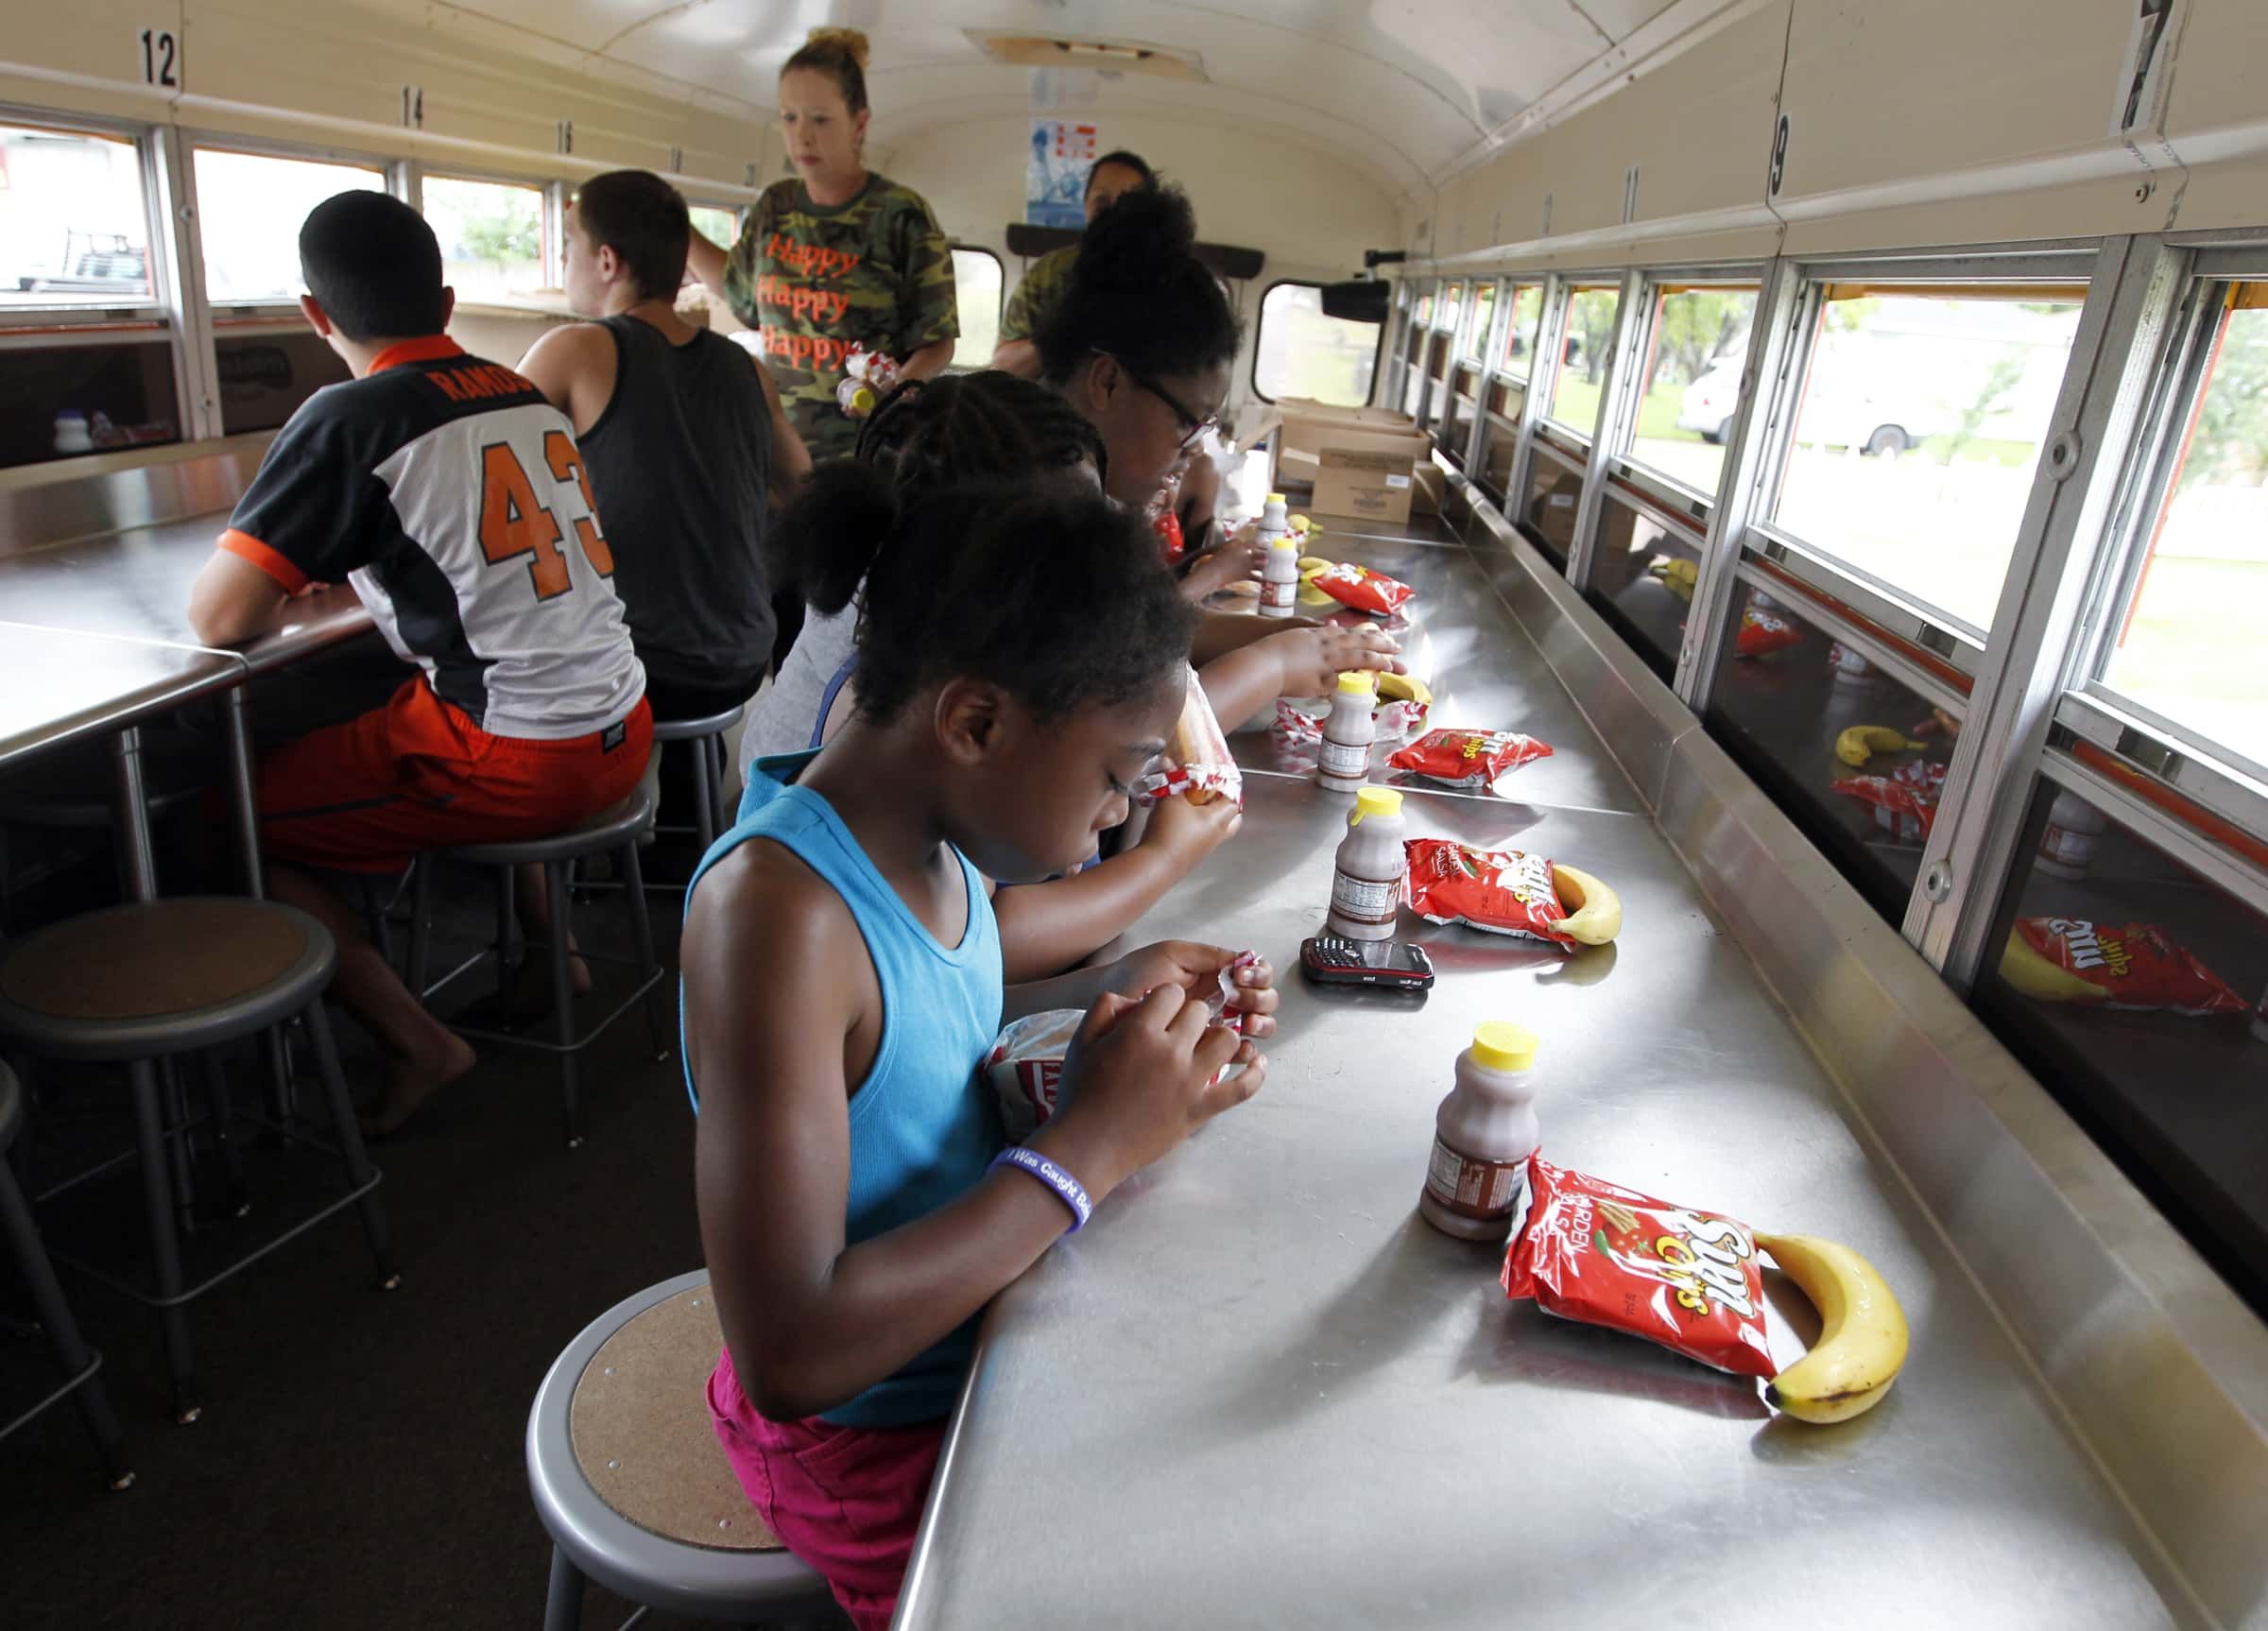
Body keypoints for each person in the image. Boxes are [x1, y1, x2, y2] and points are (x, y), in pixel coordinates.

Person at [684, 475, 1279, 1630]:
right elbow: (793, 1350)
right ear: (976, 722)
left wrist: (1116, 992)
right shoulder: (778, 919)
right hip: (861, 1436)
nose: (1118, 820)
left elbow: (931, 1004)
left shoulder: (934, 840)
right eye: (1116, 777)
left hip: (968, 1335)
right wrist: (1088, 1152)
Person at [186, 190, 651, 1136]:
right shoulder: (522, 394)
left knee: (231, 820)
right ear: (445, 304)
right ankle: (550, 948)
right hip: (625, 724)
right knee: (437, 703)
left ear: (317, 317)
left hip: (524, 762)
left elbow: (220, 617)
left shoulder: (347, 418)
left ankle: (418, 1041)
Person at [516, 169, 808, 844]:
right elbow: (801, 488)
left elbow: (480, 458)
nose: (565, 266)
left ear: (608, 261)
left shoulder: (574, 349)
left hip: (645, 669)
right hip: (741, 656)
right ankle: (676, 828)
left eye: (569, 249)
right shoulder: (745, 369)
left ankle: (566, 867)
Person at [685, 27, 957, 471]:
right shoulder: (775, 207)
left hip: (866, 456)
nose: (802, 137)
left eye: (820, 119)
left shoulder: (900, 215)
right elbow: (743, 299)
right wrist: (679, 231)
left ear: (860, 123)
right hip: (776, 451)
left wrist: (895, 397)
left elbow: (937, 342)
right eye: (789, 118)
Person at [988, 148, 1156, 380]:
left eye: (1128, 203)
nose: (1114, 213)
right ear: (1086, 205)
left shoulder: (1169, 279)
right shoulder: (1049, 273)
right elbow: (1002, 368)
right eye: (1101, 200)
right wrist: (1066, 330)